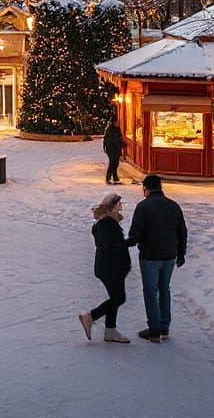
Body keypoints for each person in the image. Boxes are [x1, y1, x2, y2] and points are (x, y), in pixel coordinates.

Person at [127, 173, 187, 343]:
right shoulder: (173, 206)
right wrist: (181, 253)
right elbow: (182, 231)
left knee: (150, 291)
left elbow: (135, 234)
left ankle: (154, 330)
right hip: (169, 256)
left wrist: (122, 244)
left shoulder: (143, 207)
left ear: (145, 188)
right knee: (164, 289)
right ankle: (164, 327)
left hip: (150, 256)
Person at [78, 192, 132, 344]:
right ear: (113, 205)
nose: (121, 206)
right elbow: (108, 246)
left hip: (110, 267)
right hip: (111, 267)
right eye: (119, 203)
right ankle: (90, 317)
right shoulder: (107, 223)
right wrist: (127, 243)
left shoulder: (107, 222)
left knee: (115, 298)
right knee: (118, 298)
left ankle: (110, 331)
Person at [103, 115, 124, 185]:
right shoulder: (110, 129)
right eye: (117, 122)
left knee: (116, 163)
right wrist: (120, 143)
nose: (118, 123)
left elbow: (119, 137)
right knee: (112, 163)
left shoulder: (117, 129)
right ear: (113, 122)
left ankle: (115, 177)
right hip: (111, 149)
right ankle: (108, 178)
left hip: (116, 148)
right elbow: (113, 140)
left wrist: (121, 143)